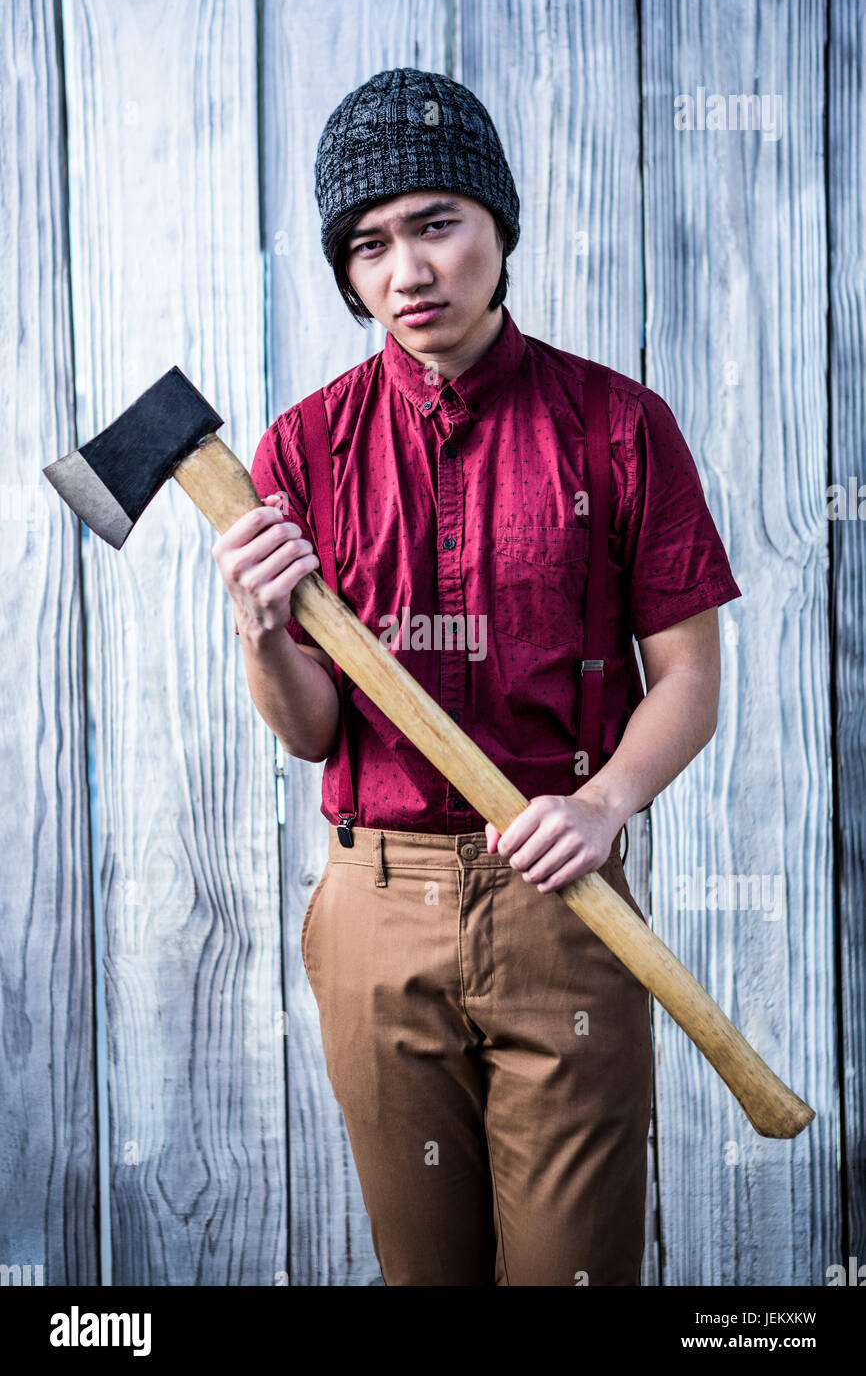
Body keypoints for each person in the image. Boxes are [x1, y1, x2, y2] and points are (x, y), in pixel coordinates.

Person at [212, 67, 741, 1286]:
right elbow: (309, 733)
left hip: (566, 904)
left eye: (436, 223)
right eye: (367, 244)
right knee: (423, 1274)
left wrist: (604, 804)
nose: (407, 273)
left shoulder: (618, 426)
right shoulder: (301, 447)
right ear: (346, 271)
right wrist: (257, 631)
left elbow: (690, 678)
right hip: (373, 910)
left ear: (499, 226)